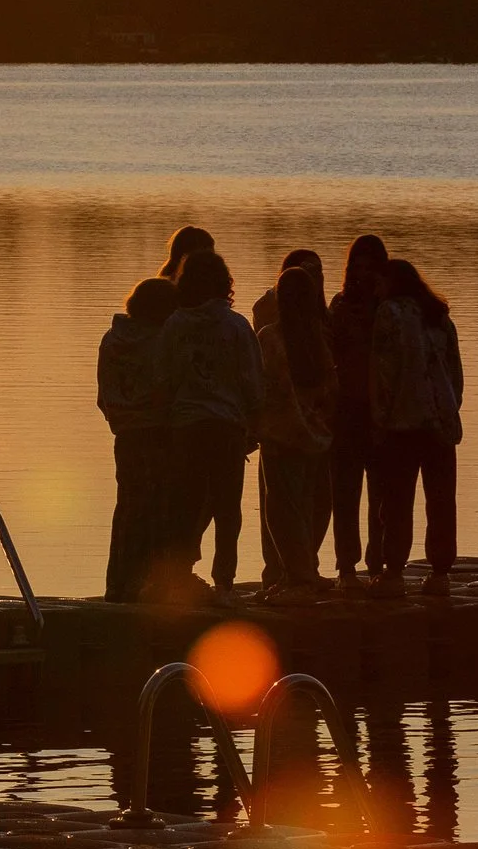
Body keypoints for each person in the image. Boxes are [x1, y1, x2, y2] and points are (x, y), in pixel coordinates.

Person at [154, 248, 260, 599]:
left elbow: (163, 378)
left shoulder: (175, 325)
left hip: (186, 427)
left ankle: (180, 575)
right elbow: (251, 380)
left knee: (186, 504)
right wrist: (254, 424)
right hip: (227, 426)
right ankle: (225, 583)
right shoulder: (237, 326)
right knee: (228, 509)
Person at [368, 257, 464, 597]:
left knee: (396, 501)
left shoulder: (389, 313)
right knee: (440, 500)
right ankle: (440, 573)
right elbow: (455, 372)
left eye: (379, 283)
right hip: (441, 421)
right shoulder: (438, 316)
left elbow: (384, 372)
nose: (376, 290)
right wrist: (451, 407)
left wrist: (379, 419)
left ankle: (393, 573)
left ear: (390, 283)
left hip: (402, 422)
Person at [254, 249, 335, 596]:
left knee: (282, 509)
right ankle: (304, 572)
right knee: (307, 505)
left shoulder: (270, 337)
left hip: (281, 437)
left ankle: (296, 578)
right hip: (314, 437)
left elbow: (260, 388)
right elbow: (330, 388)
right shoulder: (319, 336)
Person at [97, 276, 179, 602]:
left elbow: (105, 395)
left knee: (129, 507)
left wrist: (120, 418)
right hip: (158, 434)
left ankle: (119, 583)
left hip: (126, 434)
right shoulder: (163, 341)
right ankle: (148, 583)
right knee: (158, 508)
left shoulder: (111, 340)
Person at [325, 234, 389, 590]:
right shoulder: (341, 305)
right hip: (346, 412)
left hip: (379, 414)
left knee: (381, 498)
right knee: (345, 497)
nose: (362, 273)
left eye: (370, 266)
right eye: (357, 266)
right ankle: (347, 568)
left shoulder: (390, 308)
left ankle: (377, 564)